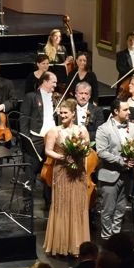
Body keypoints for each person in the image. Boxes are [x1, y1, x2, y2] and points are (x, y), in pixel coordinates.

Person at [43, 99, 91, 256]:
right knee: (62, 205)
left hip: (78, 172)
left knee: (77, 205)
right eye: (60, 113)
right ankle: (62, 245)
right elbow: (48, 151)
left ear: (73, 114)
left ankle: (77, 245)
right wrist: (63, 157)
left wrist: (79, 154)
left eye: (65, 113)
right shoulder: (54, 131)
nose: (62, 115)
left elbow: (87, 149)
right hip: (62, 171)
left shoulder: (82, 130)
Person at [95, 99, 134, 239]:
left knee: (120, 209)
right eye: (125, 110)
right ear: (115, 111)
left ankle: (116, 236)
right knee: (108, 210)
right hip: (110, 174)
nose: (129, 112)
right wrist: (122, 161)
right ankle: (107, 238)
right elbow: (101, 152)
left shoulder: (132, 127)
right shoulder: (103, 128)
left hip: (127, 175)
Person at [20, 71, 57, 208]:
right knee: (31, 172)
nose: (55, 85)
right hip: (35, 138)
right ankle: (27, 203)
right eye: (53, 82)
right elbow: (24, 118)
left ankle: (49, 201)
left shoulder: (55, 98)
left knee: (49, 171)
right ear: (45, 81)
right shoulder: (31, 96)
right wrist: (27, 139)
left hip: (51, 139)